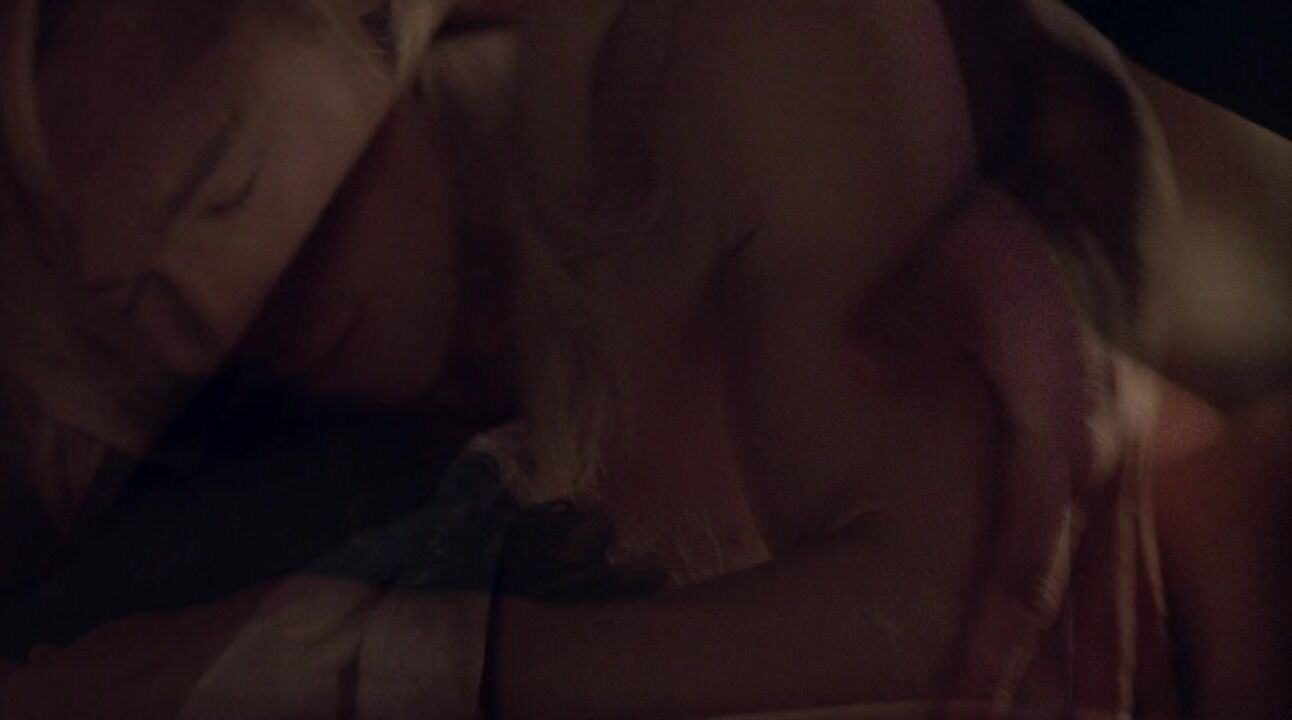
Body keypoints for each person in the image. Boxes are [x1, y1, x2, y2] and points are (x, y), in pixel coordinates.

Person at [3, 0, 1290, 718]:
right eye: (148, 320)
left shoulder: (703, 63)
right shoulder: (302, 476)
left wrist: (359, 662)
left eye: (224, 190)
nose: (235, 311)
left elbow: (934, 604)